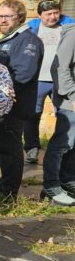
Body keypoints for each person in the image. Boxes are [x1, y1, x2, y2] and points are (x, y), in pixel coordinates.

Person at [0, 0, 44, 200]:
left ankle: (8, 192)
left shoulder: (28, 41)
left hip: (13, 107)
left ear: (20, 17)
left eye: (7, 16)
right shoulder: (5, 39)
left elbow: (23, 74)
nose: (2, 20)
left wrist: (0, 94)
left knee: (9, 149)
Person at [23, 0, 75, 163]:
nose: (53, 17)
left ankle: (63, 148)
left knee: (64, 116)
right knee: (32, 115)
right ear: (40, 15)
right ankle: (31, 149)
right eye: (48, 14)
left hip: (60, 82)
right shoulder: (32, 29)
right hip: (37, 80)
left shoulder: (67, 28)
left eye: (56, 13)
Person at [41, 23, 75, 205]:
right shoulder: (72, 35)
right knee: (63, 144)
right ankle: (50, 185)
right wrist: (72, 94)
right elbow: (60, 67)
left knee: (74, 145)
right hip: (70, 102)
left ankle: (68, 181)